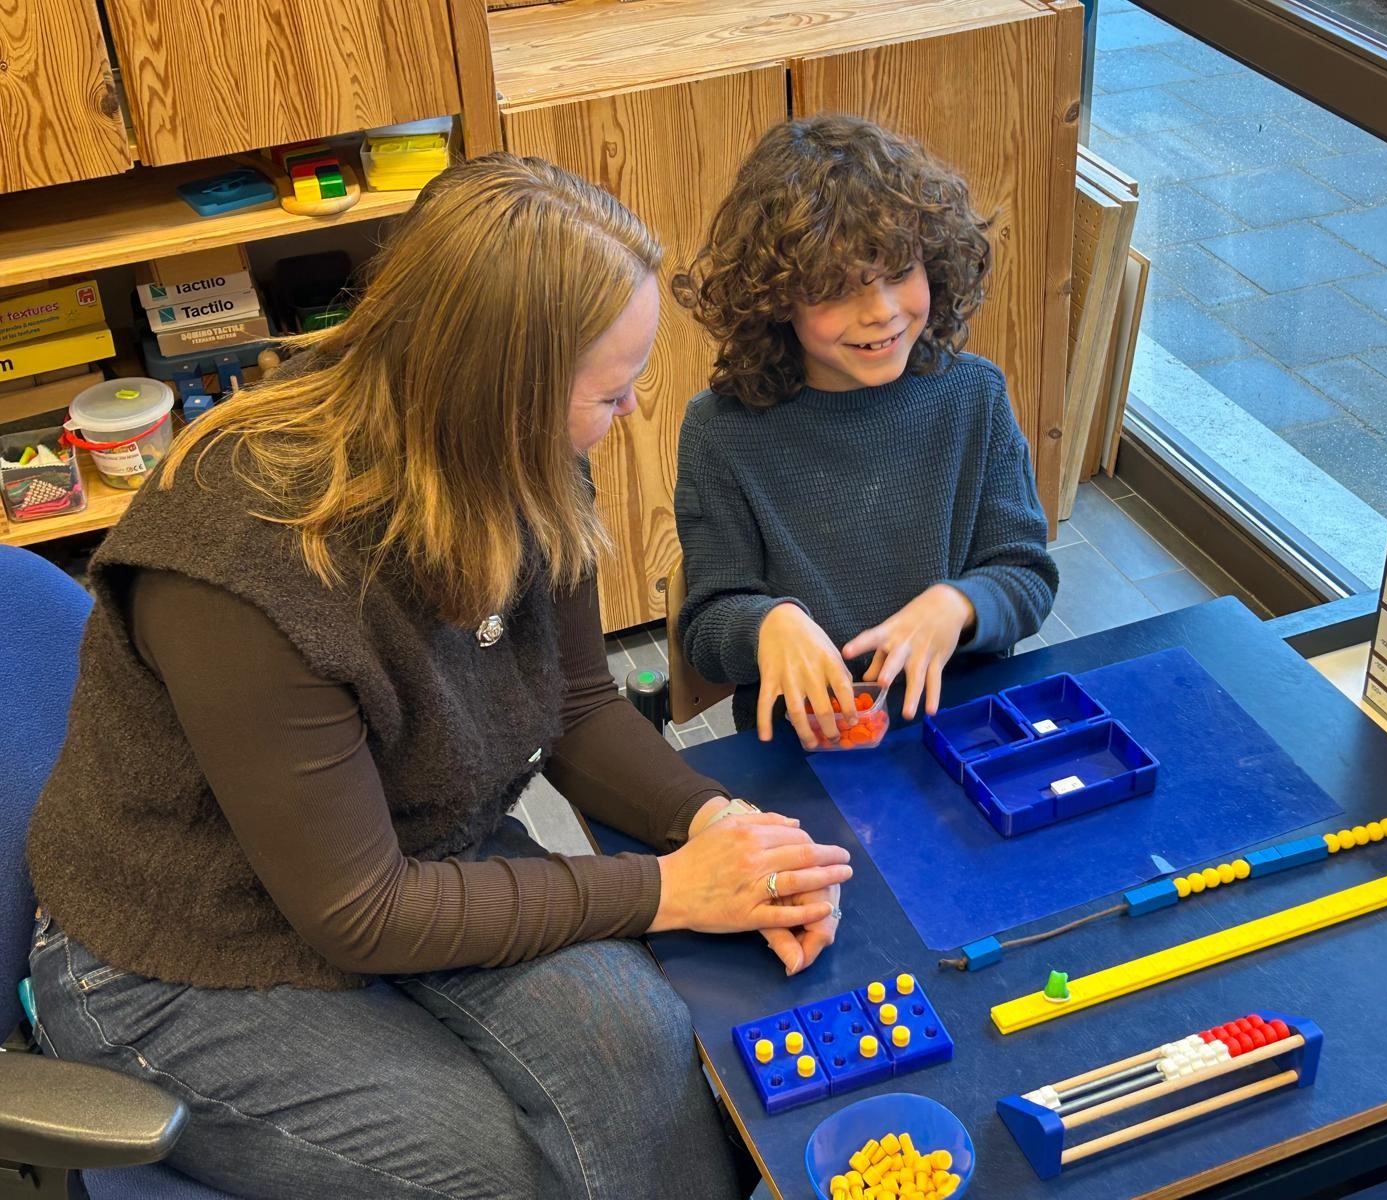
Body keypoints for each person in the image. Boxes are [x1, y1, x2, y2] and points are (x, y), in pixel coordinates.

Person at [25, 153, 853, 1200]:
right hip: (184, 947)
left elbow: (574, 707)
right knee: (500, 1171)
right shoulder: (239, 565)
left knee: (642, 1053)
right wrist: (668, 889)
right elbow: (360, 914)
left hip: (410, 848)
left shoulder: (522, 454)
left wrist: (716, 825)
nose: (631, 410)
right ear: (497, 394)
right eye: (611, 390)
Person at [672, 115, 1059, 747]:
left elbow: (1027, 575)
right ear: (776, 299)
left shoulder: (976, 395)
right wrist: (767, 625)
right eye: (836, 290)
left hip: (967, 727)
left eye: (900, 272)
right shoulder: (721, 433)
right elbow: (708, 624)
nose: (880, 312)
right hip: (810, 742)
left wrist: (959, 605)